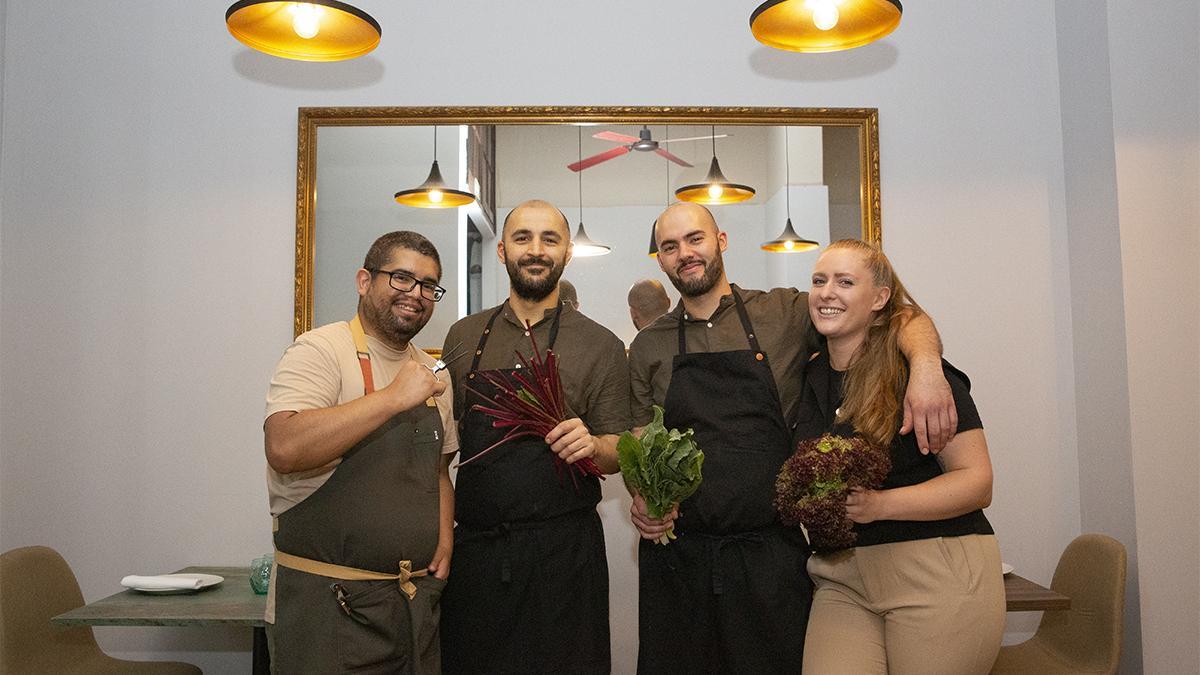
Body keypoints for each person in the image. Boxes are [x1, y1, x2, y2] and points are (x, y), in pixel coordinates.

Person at [626, 203, 956, 674]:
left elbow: (900, 314)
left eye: (695, 239)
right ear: (659, 259)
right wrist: (642, 497)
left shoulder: (783, 311)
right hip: (679, 559)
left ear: (720, 241)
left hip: (771, 557)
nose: (685, 253)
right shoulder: (648, 346)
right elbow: (641, 440)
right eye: (670, 246)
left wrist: (926, 369)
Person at [439, 199, 632, 675]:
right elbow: (445, 447)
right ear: (502, 251)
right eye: (523, 238)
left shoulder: (601, 344)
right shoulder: (464, 337)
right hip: (479, 556)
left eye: (550, 239)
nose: (536, 250)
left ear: (566, 253)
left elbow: (619, 450)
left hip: (566, 561)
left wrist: (593, 445)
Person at [795, 239, 1003, 674]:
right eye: (819, 280)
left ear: (880, 298)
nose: (827, 292)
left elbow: (976, 481)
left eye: (845, 282)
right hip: (842, 578)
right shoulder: (809, 375)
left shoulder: (920, 375)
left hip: (935, 572)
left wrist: (880, 505)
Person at [262, 231, 458, 674]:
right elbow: (284, 446)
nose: (417, 295)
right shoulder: (319, 351)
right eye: (402, 278)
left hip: (409, 607)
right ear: (364, 281)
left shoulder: (432, 374)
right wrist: (391, 397)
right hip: (329, 609)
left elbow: (440, 469)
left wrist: (443, 536)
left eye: (429, 285)